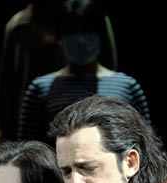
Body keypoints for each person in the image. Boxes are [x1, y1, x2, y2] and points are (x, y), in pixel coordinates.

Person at [17, 0, 149, 144]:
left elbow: (146, 143)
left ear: (100, 35)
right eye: (72, 31)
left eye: (86, 30)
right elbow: (29, 149)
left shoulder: (127, 86)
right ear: (60, 38)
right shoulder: (40, 88)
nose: (80, 39)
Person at [0, 0, 118, 146]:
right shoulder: (20, 25)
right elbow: (5, 83)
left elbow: (107, 65)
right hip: (34, 116)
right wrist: (1, 134)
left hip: (85, 111)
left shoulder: (86, 13)